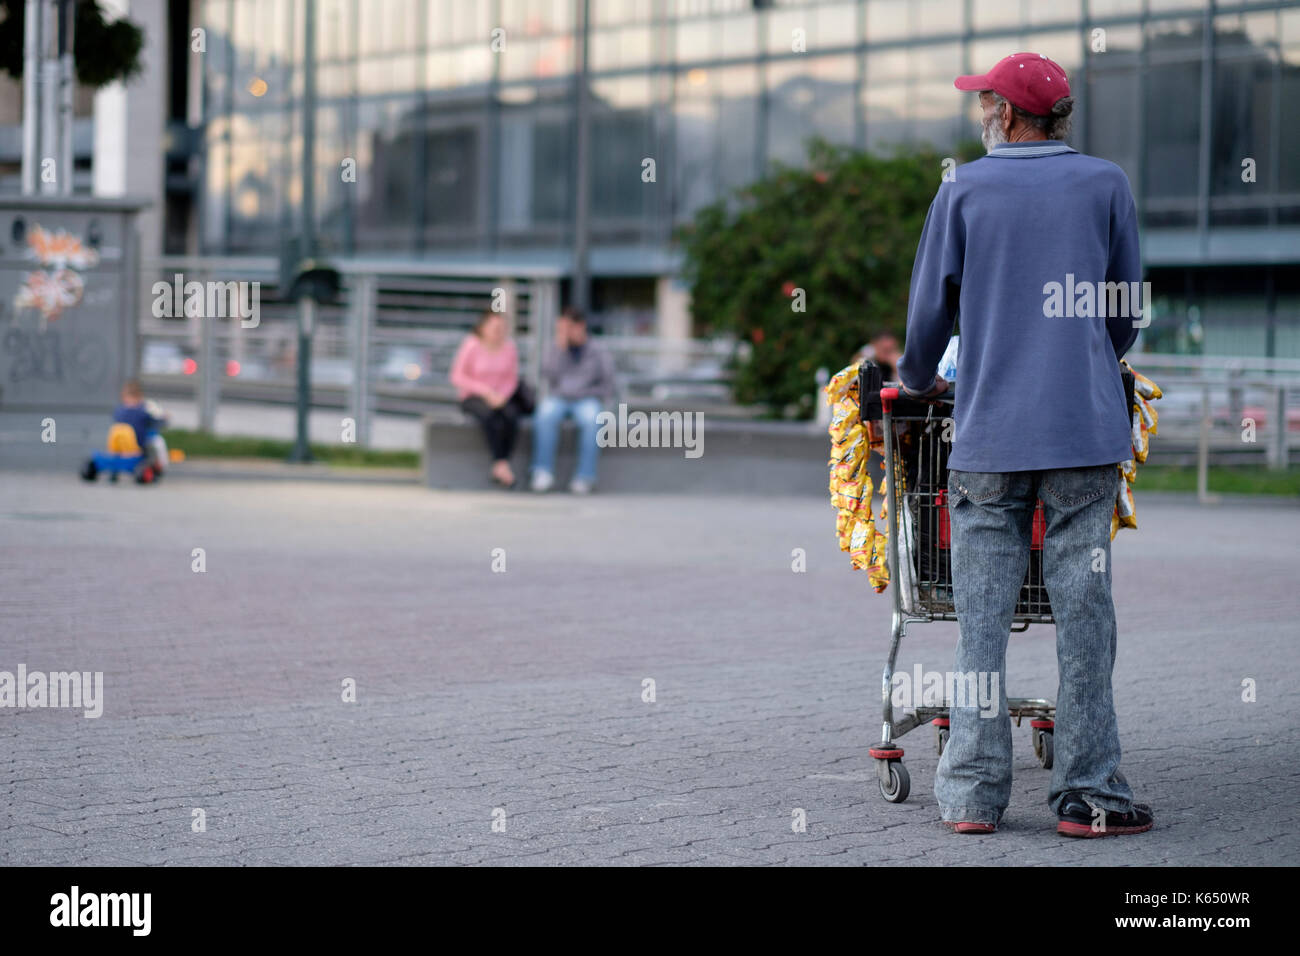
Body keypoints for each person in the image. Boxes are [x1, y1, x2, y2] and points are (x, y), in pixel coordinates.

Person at [896, 52, 1152, 838]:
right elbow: (1127, 311)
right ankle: (1089, 794)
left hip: (988, 439)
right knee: (1085, 616)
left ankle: (972, 794)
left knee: (979, 621)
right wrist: (1079, 360)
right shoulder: (1106, 184)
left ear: (1006, 115)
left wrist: (914, 378)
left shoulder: (964, 188)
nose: (979, 114)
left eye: (984, 104)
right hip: (1082, 432)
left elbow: (929, 316)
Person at [530, 307, 616, 494]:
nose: (567, 333)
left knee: (593, 420)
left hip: (587, 398)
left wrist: (590, 392)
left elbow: (608, 382)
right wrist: (560, 348)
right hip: (560, 397)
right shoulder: (556, 347)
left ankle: (585, 477)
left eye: (569, 328)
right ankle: (542, 472)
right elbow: (547, 374)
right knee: (544, 415)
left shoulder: (598, 349)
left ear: (581, 326)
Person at [450, 310, 528, 488]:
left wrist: (501, 396)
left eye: (502, 328)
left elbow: (511, 378)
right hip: (473, 396)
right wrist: (486, 392)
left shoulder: (509, 348)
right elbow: (457, 376)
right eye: (495, 327)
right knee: (489, 416)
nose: (499, 331)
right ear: (483, 327)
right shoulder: (471, 344)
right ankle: (500, 463)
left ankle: (502, 463)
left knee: (511, 415)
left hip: (500, 397)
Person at [113, 380, 169, 480]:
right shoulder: (142, 411)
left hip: (120, 444)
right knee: (158, 443)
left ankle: (114, 472)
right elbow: (155, 421)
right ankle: (160, 466)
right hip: (138, 443)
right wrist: (164, 418)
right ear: (139, 397)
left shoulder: (119, 411)